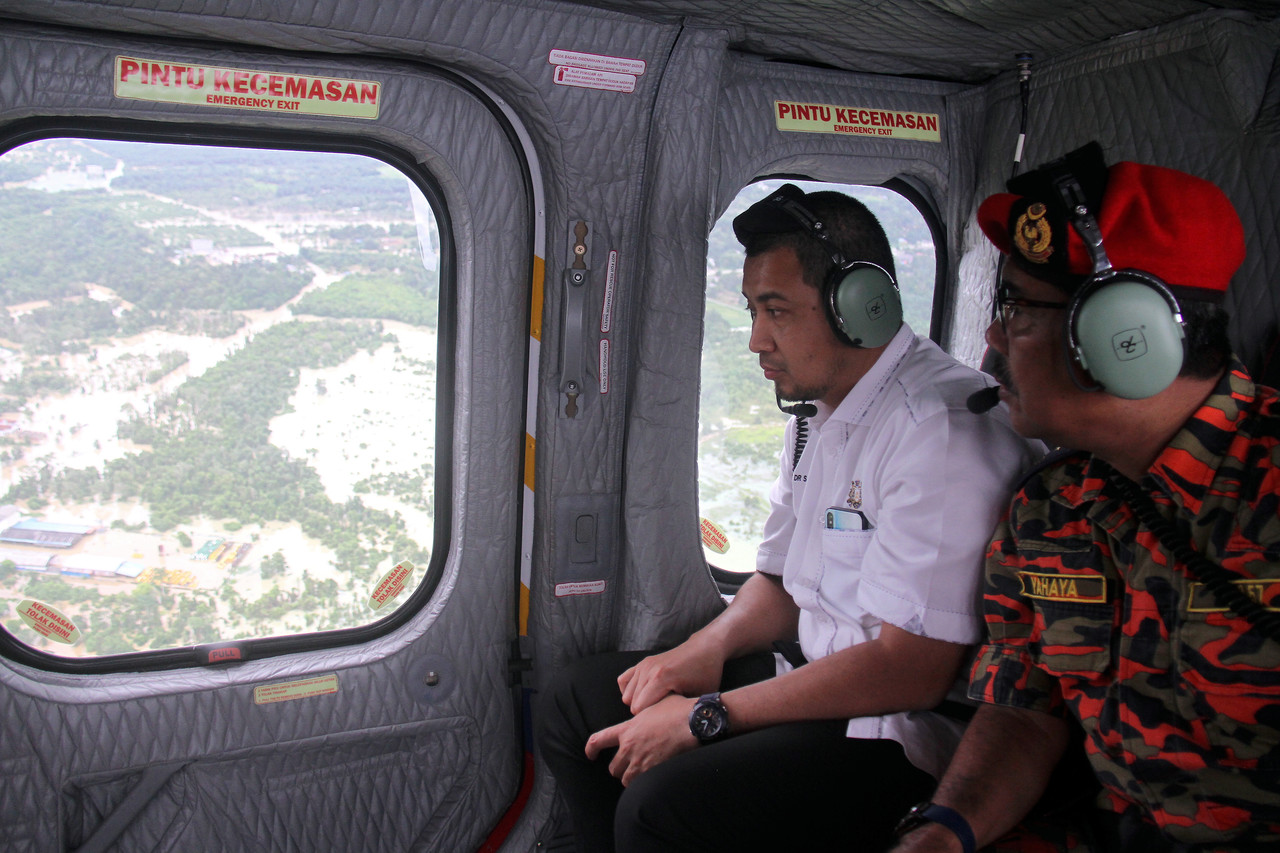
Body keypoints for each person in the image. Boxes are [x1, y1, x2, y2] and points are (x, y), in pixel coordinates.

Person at [536, 184, 1041, 852]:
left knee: (660, 810)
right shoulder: (815, 416)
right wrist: (702, 651)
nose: (756, 340)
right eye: (752, 310)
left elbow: (912, 670)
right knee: (570, 703)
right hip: (810, 679)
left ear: (860, 306)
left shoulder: (938, 432)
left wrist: (706, 716)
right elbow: (777, 583)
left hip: (900, 731)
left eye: (775, 310)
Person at [892, 143, 1280, 853]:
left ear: (1122, 337)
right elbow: (1024, 710)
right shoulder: (1050, 510)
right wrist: (942, 834)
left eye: (1017, 308)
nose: (993, 334)